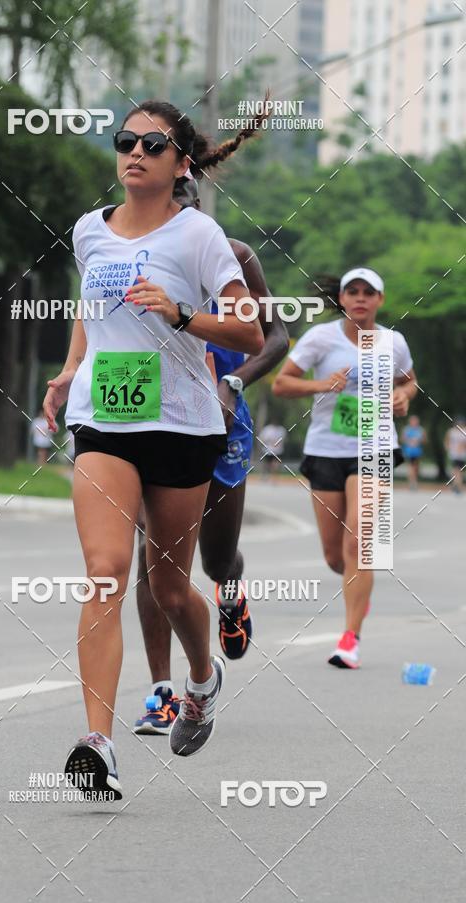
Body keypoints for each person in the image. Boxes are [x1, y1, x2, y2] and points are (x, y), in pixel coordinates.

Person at [43, 100, 265, 798]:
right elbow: (91, 308)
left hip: (182, 426)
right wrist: (71, 369)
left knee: (169, 587)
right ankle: (98, 744)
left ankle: (202, 678)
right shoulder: (89, 230)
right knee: (106, 572)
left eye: (153, 144)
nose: (135, 152)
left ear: (181, 163)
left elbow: (250, 333)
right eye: (126, 140)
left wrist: (180, 313)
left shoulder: (199, 235)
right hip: (104, 419)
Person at [133, 175, 289, 736]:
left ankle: (231, 590)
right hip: (149, 415)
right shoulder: (129, 253)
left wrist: (233, 382)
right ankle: (162, 693)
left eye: (180, 203)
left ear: (197, 207)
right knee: (151, 557)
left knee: (216, 560)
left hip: (221, 421)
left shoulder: (235, 256)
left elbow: (276, 337)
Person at [273, 267, 418, 669]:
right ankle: (359, 595)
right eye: (352, 291)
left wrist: (404, 395)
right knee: (336, 557)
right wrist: (321, 385)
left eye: (368, 292)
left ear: (380, 300)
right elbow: (282, 384)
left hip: (376, 446)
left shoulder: (393, 341)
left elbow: (409, 380)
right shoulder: (321, 338)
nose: (360, 298)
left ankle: (350, 639)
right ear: (341, 299)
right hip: (326, 450)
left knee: (360, 543)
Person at [401, 415, 426, 491]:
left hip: (417, 451)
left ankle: (414, 481)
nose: (414, 422)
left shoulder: (420, 430)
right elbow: (402, 439)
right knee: (411, 467)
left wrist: (418, 441)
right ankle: (412, 483)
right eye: (413, 421)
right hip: (409, 451)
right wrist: (410, 442)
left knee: (416, 467)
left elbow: (424, 440)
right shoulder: (407, 429)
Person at [445, 416, 466, 494]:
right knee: (456, 470)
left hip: (461, 455)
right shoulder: (451, 432)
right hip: (453, 454)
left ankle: (456, 486)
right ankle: (457, 486)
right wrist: (448, 448)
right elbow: (447, 441)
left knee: (457, 471)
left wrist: (462, 448)